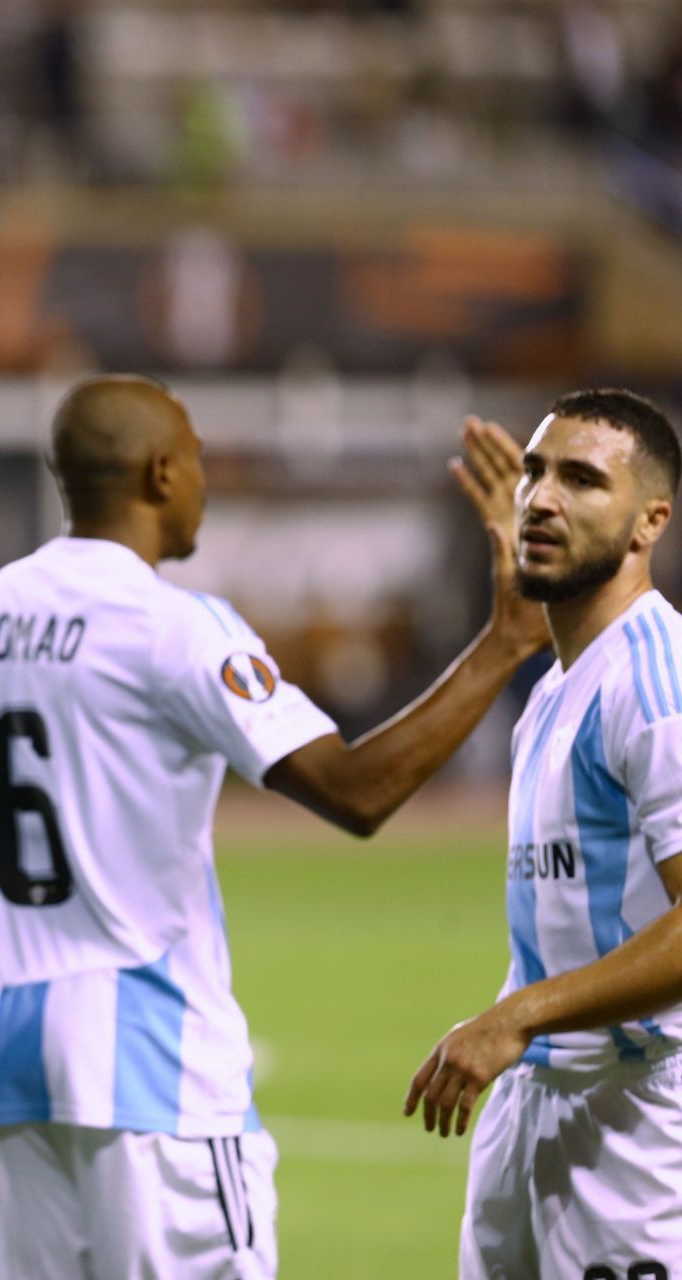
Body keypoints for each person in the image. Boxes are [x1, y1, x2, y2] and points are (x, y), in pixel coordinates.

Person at [0, 375, 547, 1280]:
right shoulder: (175, 627)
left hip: (6, 1065)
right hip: (153, 1066)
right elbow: (356, 791)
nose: (205, 484)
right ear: (159, 473)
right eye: (197, 461)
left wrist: (75, 848)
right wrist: (504, 644)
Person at [405, 390, 682, 1280]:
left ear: (650, 523)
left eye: (581, 479)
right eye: (533, 471)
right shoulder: (559, 691)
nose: (541, 498)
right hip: (536, 1109)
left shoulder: (657, 681)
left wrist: (519, 1016)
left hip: (636, 1130)